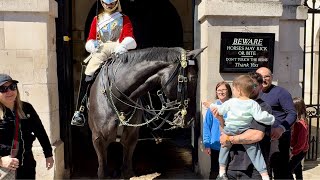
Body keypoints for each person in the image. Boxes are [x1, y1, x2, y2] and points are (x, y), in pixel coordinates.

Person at [71, 0, 137, 126]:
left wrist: (123, 45)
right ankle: (80, 110)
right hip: (101, 50)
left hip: (119, 48)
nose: (109, 5)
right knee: (88, 71)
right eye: (106, 2)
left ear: (117, 2)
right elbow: (90, 38)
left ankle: (141, 106)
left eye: (112, 2)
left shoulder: (124, 18)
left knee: (135, 72)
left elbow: (130, 36)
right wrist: (91, 45)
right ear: (102, 3)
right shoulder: (97, 19)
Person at [210, 75, 274, 180]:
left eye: (255, 85)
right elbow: (260, 117)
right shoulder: (252, 104)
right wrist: (220, 119)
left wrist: (228, 139)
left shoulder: (262, 106)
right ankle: (264, 175)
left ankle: (221, 171)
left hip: (251, 170)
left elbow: (256, 136)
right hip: (232, 166)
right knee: (252, 150)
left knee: (227, 147)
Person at [0, 74, 54, 179]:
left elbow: (40, 132)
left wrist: (48, 154)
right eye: (3, 89)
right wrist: (1, 161)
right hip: (4, 169)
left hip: (27, 164)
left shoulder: (26, 108)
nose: (9, 92)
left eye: (12, 87)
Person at [256, 67, 297, 179]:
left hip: (278, 139)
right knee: (264, 172)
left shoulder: (281, 92)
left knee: (281, 173)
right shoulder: (254, 92)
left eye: (267, 76)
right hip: (260, 139)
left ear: (272, 77)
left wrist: (281, 128)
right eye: (260, 76)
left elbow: (292, 114)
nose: (264, 79)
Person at [202, 81, 232, 179]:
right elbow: (207, 126)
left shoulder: (233, 106)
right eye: (219, 90)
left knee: (228, 172)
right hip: (215, 145)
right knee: (215, 171)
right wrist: (207, 144)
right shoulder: (212, 108)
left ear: (229, 91)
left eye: (224, 89)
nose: (221, 92)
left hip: (230, 145)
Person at [289, 97, 309, 180]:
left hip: (299, 151)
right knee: (298, 169)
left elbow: (301, 142)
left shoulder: (301, 123)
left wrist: (293, 153)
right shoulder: (300, 121)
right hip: (299, 150)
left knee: (287, 170)